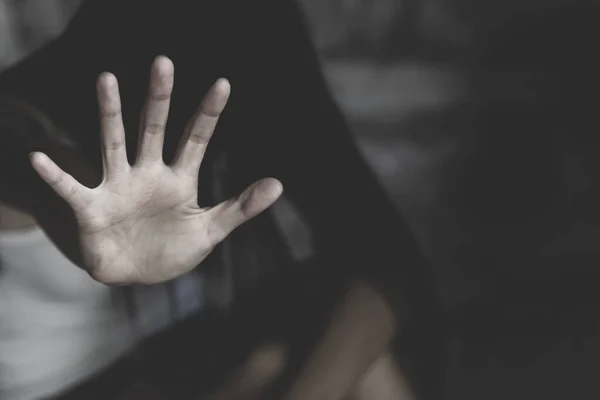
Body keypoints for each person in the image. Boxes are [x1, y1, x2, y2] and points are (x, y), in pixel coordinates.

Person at [0, 0, 441, 399]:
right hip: (70, 390)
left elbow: (386, 260)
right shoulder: (26, 113)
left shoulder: (251, 46)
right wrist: (83, 222)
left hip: (167, 361)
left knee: (320, 325)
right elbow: (25, 160)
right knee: (300, 351)